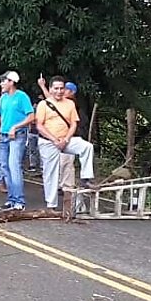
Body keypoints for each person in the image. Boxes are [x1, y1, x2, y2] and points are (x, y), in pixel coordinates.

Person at [36, 75, 96, 209]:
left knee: (87, 147)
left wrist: (66, 139)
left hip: (66, 139)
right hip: (48, 142)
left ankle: (86, 178)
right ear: (50, 89)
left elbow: (74, 124)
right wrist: (55, 140)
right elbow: (39, 126)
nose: (59, 91)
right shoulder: (43, 104)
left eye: (61, 88)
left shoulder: (70, 103)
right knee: (50, 172)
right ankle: (51, 205)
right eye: (56, 88)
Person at [0, 71, 35, 211]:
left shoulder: (22, 96)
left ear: (11, 82)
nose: (1, 84)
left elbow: (31, 117)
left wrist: (15, 127)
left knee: (14, 166)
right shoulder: (4, 98)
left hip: (17, 135)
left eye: (3, 81)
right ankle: (11, 199)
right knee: (5, 167)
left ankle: (19, 201)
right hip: (4, 136)